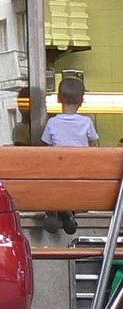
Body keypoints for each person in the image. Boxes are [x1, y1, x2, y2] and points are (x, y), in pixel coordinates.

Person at [41, 76, 98, 235]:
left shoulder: (52, 122)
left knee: (51, 180)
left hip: (58, 174)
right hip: (79, 175)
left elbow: (47, 147)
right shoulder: (86, 122)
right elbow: (94, 147)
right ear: (81, 101)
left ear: (59, 99)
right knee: (78, 185)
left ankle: (54, 209)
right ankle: (69, 211)